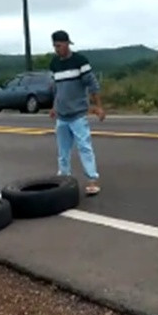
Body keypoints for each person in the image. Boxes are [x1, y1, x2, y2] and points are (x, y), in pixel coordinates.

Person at [49, 30, 104, 196]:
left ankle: (92, 180)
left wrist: (98, 107)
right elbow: (56, 88)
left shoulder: (80, 61)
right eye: (55, 46)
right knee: (63, 150)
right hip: (62, 115)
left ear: (67, 44)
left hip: (78, 114)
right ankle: (64, 178)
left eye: (59, 45)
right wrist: (54, 107)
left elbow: (92, 85)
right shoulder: (54, 64)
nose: (57, 49)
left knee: (84, 147)